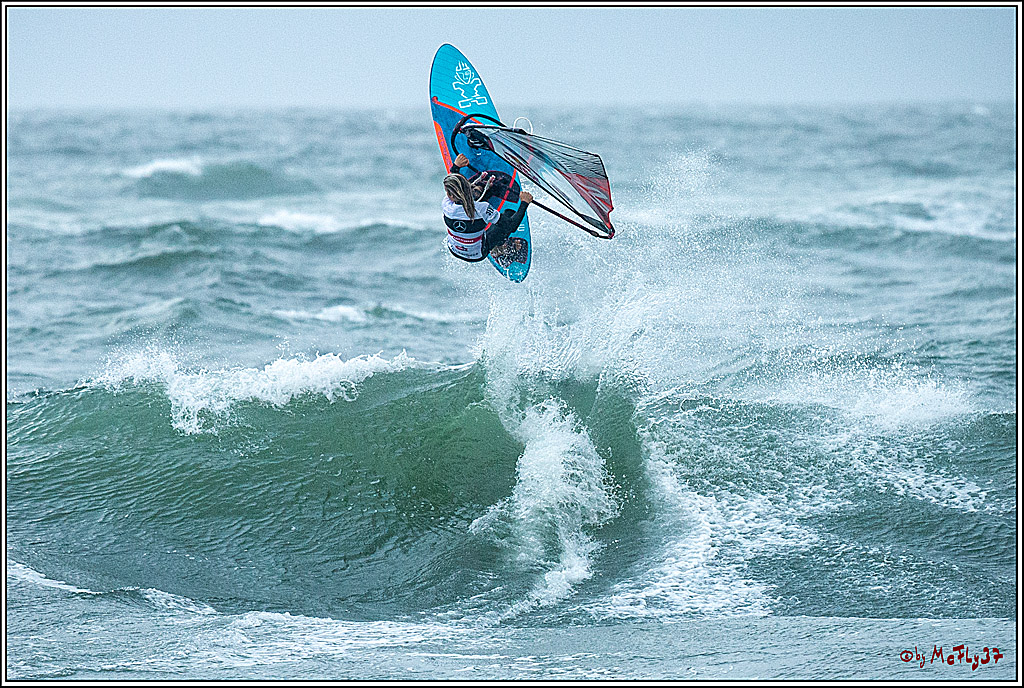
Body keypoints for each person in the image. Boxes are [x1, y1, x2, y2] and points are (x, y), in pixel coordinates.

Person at [443, 153, 531, 263]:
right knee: (509, 214)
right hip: (478, 254)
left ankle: (482, 191)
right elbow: (511, 226)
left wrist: (455, 167)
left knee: (475, 217)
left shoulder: (446, 204)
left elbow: (453, 190)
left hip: (454, 250)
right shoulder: (481, 208)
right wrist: (524, 202)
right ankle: (501, 248)